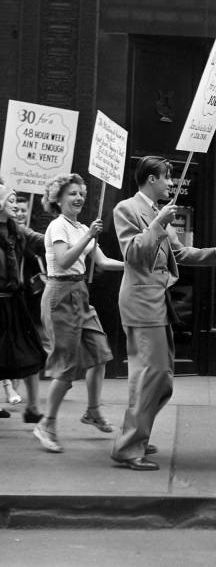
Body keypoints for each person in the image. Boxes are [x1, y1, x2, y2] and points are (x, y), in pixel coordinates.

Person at [111, 156, 216, 471]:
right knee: (152, 375)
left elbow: (180, 253)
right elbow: (133, 254)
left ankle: (137, 437)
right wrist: (158, 222)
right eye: (166, 178)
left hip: (157, 304)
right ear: (150, 179)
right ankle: (129, 447)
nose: (172, 184)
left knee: (160, 378)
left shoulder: (157, 214)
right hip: (140, 303)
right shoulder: (127, 209)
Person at [33, 173, 124, 453]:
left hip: (80, 293)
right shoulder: (58, 227)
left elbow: (104, 262)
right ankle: (46, 424)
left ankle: (93, 411)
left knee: (100, 355)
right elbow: (63, 260)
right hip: (60, 295)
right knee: (66, 368)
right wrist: (88, 235)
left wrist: (134, 266)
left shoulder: (82, 227)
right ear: (58, 199)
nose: (79, 198)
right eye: (72, 193)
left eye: (81, 193)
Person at [0, 180, 46, 421]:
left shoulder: (18, 230)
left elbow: (42, 240)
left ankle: (33, 408)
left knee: (32, 353)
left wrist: (70, 236)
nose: (16, 204)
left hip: (14, 304)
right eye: (10, 199)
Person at [2, 195, 31, 405]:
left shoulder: (19, 233)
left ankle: (14, 387)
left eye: (22, 209)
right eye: (12, 203)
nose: (18, 210)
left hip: (16, 297)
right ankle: (9, 387)